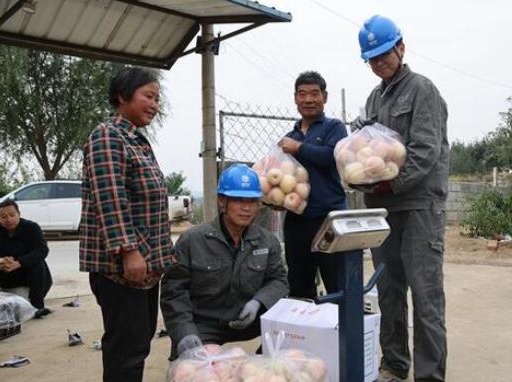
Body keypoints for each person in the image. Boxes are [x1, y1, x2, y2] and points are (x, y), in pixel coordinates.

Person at [353, 15, 449, 382]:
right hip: (384, 209)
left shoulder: (422, 90)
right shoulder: (375, 98)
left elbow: (426, 151)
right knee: (389, 291)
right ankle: (394, 364)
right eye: (372, 59)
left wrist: (389, 185)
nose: (379, 63)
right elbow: (367, 152)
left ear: (401, 47)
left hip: (419, 206)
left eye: (384, 55)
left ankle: (429, 376)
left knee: (426, 297)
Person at [79, 67, 173, 382]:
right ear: (122, 96)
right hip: (122, 267)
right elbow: (110, 198)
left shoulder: (136, 140)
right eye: (148, 96)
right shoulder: (108, 135)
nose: (154, 104)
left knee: (138, 342)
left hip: (145, 267)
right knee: (126, 349)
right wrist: (128, 251)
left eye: (157, 99)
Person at [160, 164, 288, 359]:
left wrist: (258, 302)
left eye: (252, 201)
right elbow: (174, 293)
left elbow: (279, 280)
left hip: (250, 319)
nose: (246, 208)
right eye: (238, 200)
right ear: (222, 201)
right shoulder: (193, 240)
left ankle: (263, 365)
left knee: (292, 333)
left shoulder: (267, 241)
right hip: (205, 323)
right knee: (191, 368)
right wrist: (185, 333)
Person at [277, 71, 348, 299]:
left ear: (324, 97)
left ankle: (342, 333)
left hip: (329, 220)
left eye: (314, 93)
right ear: (295, 98)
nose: (308, 99)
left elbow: (331, 156)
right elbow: (281, 175)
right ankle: (307, 332)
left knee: (338, 287)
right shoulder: (290, 136)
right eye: (302, 94)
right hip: (296, 222)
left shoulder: (334, 128)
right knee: (299, 287)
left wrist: (298, 148)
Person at [0, 199, 53, 317]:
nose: (9, 219)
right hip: (5, 271)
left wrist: (19, 263)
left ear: (18, 214)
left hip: (27, 272)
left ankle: (38, 307)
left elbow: (42, 250)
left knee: (39, 264)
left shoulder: (32, 227)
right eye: (4, 217)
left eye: (12, 215)